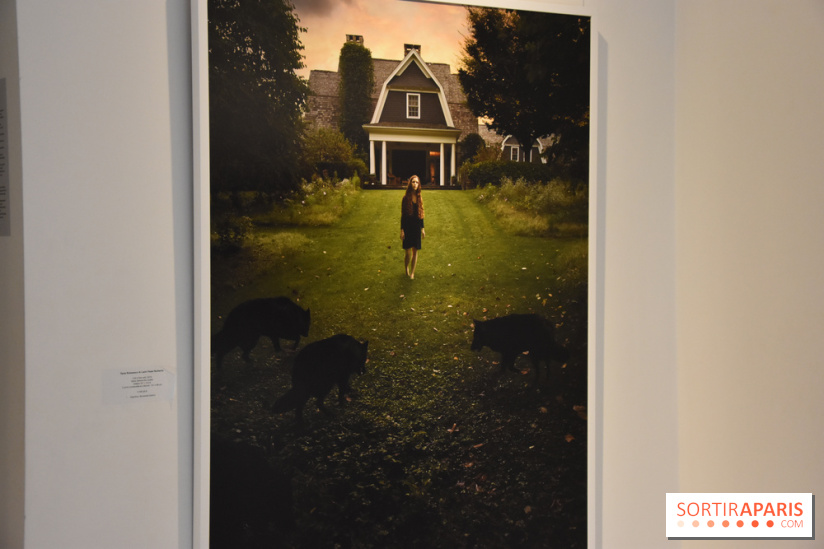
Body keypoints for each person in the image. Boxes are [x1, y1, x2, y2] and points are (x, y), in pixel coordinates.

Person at [400, 175, 425, 279]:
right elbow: (403, 215)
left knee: (415, 251)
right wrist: (402, 230)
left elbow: (421, 214)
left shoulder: (419, 198)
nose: (415, 184)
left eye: (417, 182)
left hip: (416, 228)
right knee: (408, 252)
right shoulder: (405, 198)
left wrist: (422, 229)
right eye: (413, 182)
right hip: (407, 227)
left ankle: (412, 273)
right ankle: (406, 268)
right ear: (410, 183)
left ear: (419, 185)